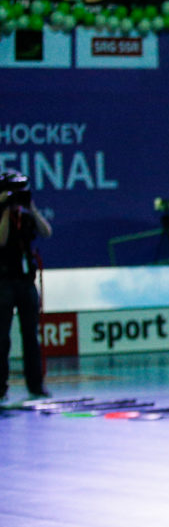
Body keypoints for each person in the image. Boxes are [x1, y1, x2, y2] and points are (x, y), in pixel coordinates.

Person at [0, 172, 51, 402]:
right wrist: (4, 210)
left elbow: (46, 232)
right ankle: (1, 386)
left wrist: (33, 208)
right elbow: (1, 240)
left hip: (25, 281)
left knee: (31, 336)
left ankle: (36, 385)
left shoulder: (27, 215)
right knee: (2, 337)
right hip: (4, 281)